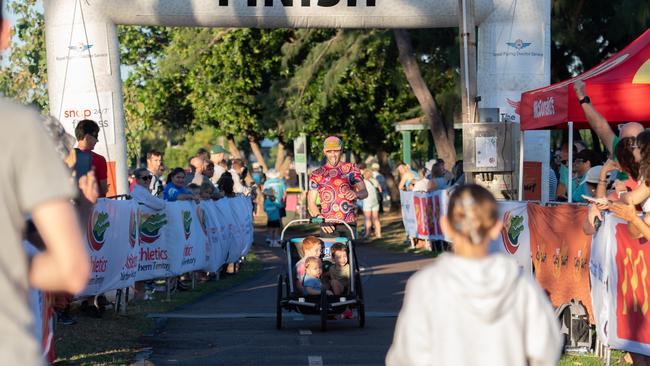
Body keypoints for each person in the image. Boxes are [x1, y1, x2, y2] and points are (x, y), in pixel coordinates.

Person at [386, 184, 562, 366]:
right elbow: (546, 348)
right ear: (496, 227)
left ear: (445, 225)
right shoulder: (520, 286)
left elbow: (407, 355)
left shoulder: (426, 285)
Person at [308, 136, 368, 237]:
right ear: (324, 152)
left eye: (336, 151)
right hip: (327, 225)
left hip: (348, 223)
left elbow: (364, 192)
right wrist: (320, 220)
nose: (333, 154)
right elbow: (311, 202)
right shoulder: (317, 174)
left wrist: (356, 194)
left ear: (342, 151)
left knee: (348, 253)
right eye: (329, 151)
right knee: (328, 253)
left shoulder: (351, 169)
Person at [74, 119, 109, 197]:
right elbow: (103, 189)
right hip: (94, 206)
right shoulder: (99, 160)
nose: (97, 140)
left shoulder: (65, 157)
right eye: (96, 136)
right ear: (87, 137)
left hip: (71, 206)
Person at [361, 169, 382, 239]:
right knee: (376, 218)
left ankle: (368, 233)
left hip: (367, 201)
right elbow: (380, 189)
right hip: (375, 201)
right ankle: (378, 233)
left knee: (368, 219)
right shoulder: (375, 180)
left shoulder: (363, 182)